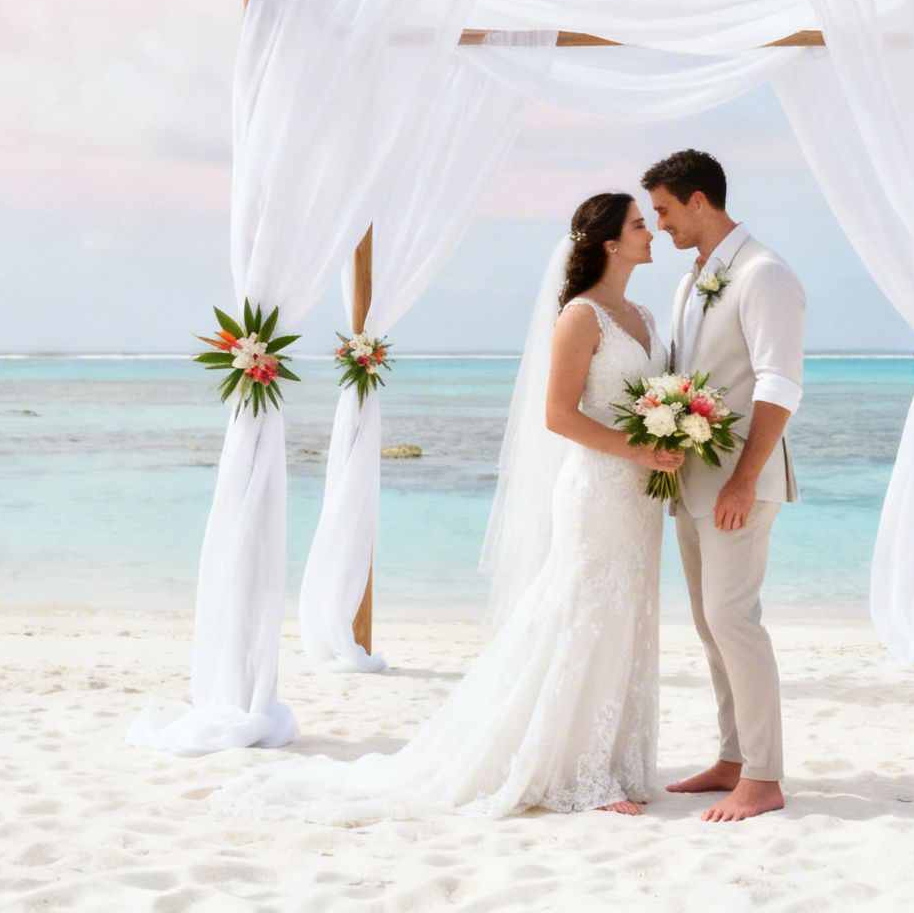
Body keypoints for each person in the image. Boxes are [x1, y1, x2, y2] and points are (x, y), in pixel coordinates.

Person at [215, 192, 679, 822]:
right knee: (584, 612)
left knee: (628, 612)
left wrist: (668, 440)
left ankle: (614, 757)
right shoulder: (581, 316)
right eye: (637, 224)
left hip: (639, 495)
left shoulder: (645, 314)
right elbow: (557, 415)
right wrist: (637, 449)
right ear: (608, 242)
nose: (649, 232)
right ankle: (582, 770)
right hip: (598, 487)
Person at [644, 148, 805, 823]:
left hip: (741, 481)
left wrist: (742, 480)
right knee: (713, 627)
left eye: (664, 211)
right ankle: (734, 757)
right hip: (694, 481)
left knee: (735, 622)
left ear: (699, 202)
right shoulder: (693, 280)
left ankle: (764, 778)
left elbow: (779, 383)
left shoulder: (764, 273)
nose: (658, 226)